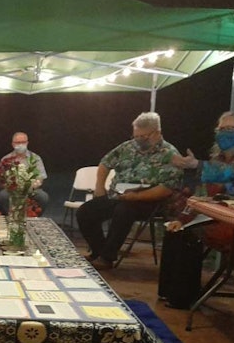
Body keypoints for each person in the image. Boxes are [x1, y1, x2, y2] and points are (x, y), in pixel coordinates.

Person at [160, 111, 234, 308]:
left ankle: (183, 299)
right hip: (213, 214)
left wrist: (196, 165)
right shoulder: (216, 159)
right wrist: (183, 218)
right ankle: (168, 292)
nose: (224, 133)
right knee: (175, 229)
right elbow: (200, 195)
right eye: (221, 129)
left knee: (190, 234)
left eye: (231, 129)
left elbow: (228, 174)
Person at [77, 112, 183, 270]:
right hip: (119, 196)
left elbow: (166, 189)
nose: (139, 140)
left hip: (148, 201)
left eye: (143, 137)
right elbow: (105, 163)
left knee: (124, 211)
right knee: (86, 211)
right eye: (136, 136)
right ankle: (98, 251)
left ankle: (107, 257)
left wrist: (136, 196)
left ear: (157, 133)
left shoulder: (170, 154)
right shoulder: (127, 146)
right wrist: (100, 187)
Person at [0, 132, 49, 213]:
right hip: (12, 190)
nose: (21, 144)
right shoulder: (6, 159)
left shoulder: (35, 158)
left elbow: (41, 176)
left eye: (23, 142)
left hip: (31, 189)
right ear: (13, 144)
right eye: (18, 142)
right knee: (2, 196)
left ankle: (34, 218)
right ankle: (10, 218)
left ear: (27, 143)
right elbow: (1, 178)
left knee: (43, 197)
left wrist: (35, 184)